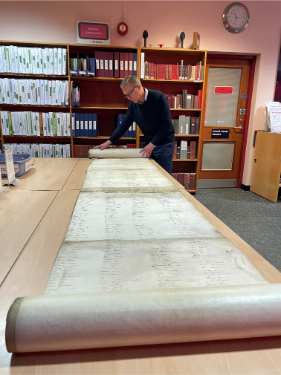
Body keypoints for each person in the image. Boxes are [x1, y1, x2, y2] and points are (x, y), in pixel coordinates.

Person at [97, 76, 175, 173]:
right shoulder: (134, 105)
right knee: (150, 175)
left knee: (164, 176)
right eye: (125, 96)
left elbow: (166, 126)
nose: (128, 98)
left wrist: (152, 144)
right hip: (148, 143)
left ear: (138, 88)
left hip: (164, 144)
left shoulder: (159, 98)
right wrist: (109, 141)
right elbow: (124, 124)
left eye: (129, 94)